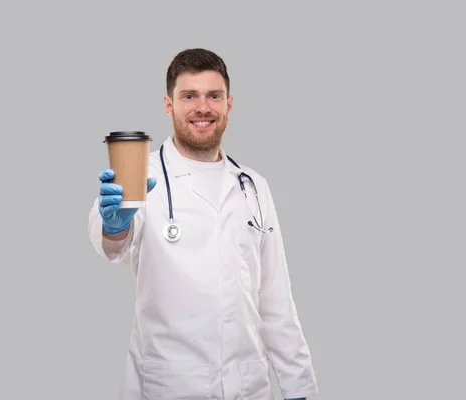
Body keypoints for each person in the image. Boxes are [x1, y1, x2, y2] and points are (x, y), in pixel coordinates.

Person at [88, 48, 319, 400]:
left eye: (214, 96)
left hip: (248, 387)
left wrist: (297, 386)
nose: (203, 108)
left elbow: (275, 299)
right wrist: (114, 225)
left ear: (229, 104)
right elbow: (113, 245)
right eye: (189, 96)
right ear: (169, 105)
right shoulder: (139, 175)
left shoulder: (252, 186)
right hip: (167, 386)